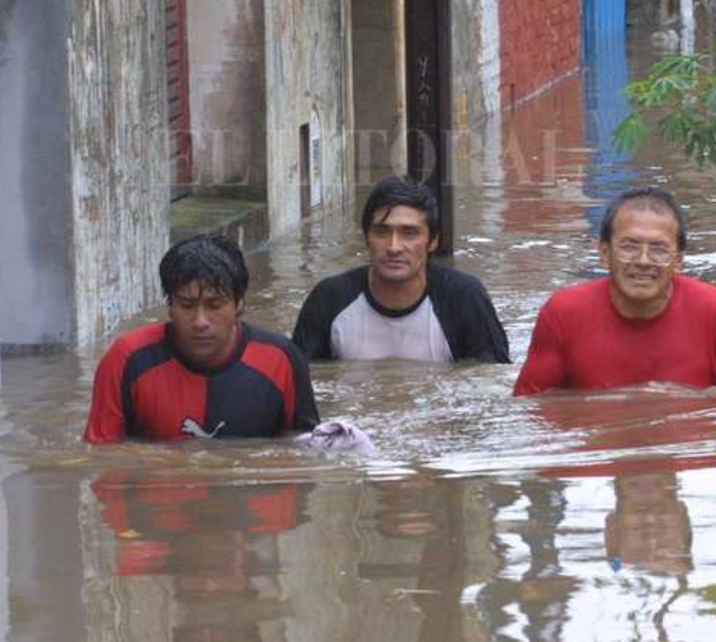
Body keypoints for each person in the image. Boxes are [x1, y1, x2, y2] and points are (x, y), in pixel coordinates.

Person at [513, 186, 716, 395]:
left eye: (659, 249)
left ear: (678, 260)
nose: (643, 260)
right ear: (604, 253)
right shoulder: (563, 314)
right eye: (629, 246)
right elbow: (530, 409)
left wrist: (695, 400)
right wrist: (609, 403)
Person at [83, 234, 319, 442]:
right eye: (187, 305)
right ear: (170, 306)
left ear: (239, 305)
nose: (200, 322)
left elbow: (306, 452)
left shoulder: (282, 360)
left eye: (215, 305)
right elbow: (102, 456)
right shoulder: (127, 360)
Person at [291, 175, 510, 363]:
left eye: (409, 233)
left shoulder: (464, 298)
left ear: (432, 241)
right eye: (381, 232)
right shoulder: (329, 300)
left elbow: (492, 382)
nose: (393, 247)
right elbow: (300, 385)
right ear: (366, 238)